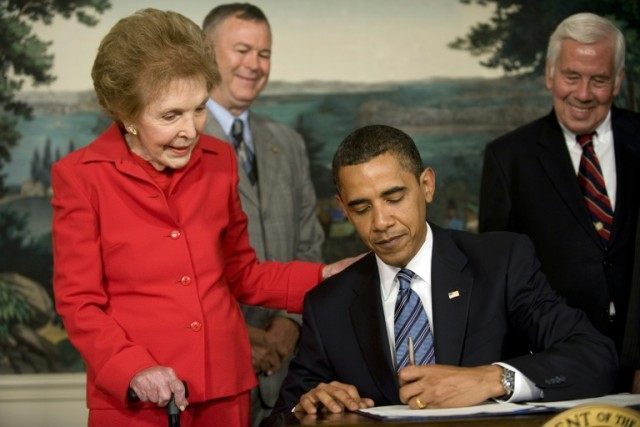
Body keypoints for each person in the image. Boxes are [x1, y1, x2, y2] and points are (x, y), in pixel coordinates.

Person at [51, 9, 352, 426]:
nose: (191, 131)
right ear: (126, 114)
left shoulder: (219, 159)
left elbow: (242, 273)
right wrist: (133, 367)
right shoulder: (81, 177)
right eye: (170, 115)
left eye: (198, 109)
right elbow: (80, 303)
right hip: (139, 400)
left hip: (225, 392)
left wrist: (323, 277)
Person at [271, 125, 617, 416]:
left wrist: (492, 379)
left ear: (427, 186)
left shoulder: (501, 263)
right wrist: (305, 407)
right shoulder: (328, 304)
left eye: (394, 198)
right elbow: (282, 416)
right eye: (361, 208)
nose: (381, 222)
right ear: (343, 209)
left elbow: (594, 357)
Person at [479, 13, 640, 392]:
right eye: (571, 76)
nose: (583, 94)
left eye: (598, 79)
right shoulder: (508, 158)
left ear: (617, 81)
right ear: (550, 75)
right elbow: (498, 278)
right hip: (555, 364)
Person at [201, 4, 325, 425]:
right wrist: (238, 335)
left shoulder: (287, 143)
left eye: (264, 53)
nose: (255, 65)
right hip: (211, 375)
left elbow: (310, 241)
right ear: (206, 51)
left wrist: (288, 322)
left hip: (290, 373)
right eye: (241, 50)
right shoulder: (180, 140)